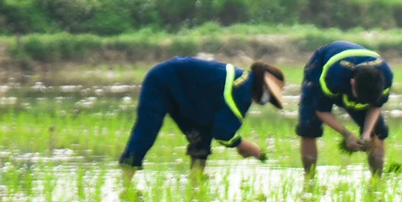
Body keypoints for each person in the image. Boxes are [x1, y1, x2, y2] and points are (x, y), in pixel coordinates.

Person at [119, 57, 284, 173]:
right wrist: (245, 146)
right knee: (147, 129)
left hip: (187, 94)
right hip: (162, 80)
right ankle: (126, 182)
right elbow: (223, 132)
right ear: (263, 85)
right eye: (269, 96)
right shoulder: (242, 91)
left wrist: (239, 144)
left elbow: (215, 125)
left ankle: (196, 181)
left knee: (202, 131)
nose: (265, 101)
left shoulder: (244, 81)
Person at [296, 41, 393, 174]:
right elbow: (321, 110)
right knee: (308, 127)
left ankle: (377, 179)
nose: (361, 103)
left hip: (356, 70)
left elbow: (376, 106)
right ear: (352, 83)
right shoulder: (334, 76)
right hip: (320, 65)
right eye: (360, 99)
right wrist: (347, 135)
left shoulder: (386, 76)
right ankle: (309, 177)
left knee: (377, 131)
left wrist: (366, 133)